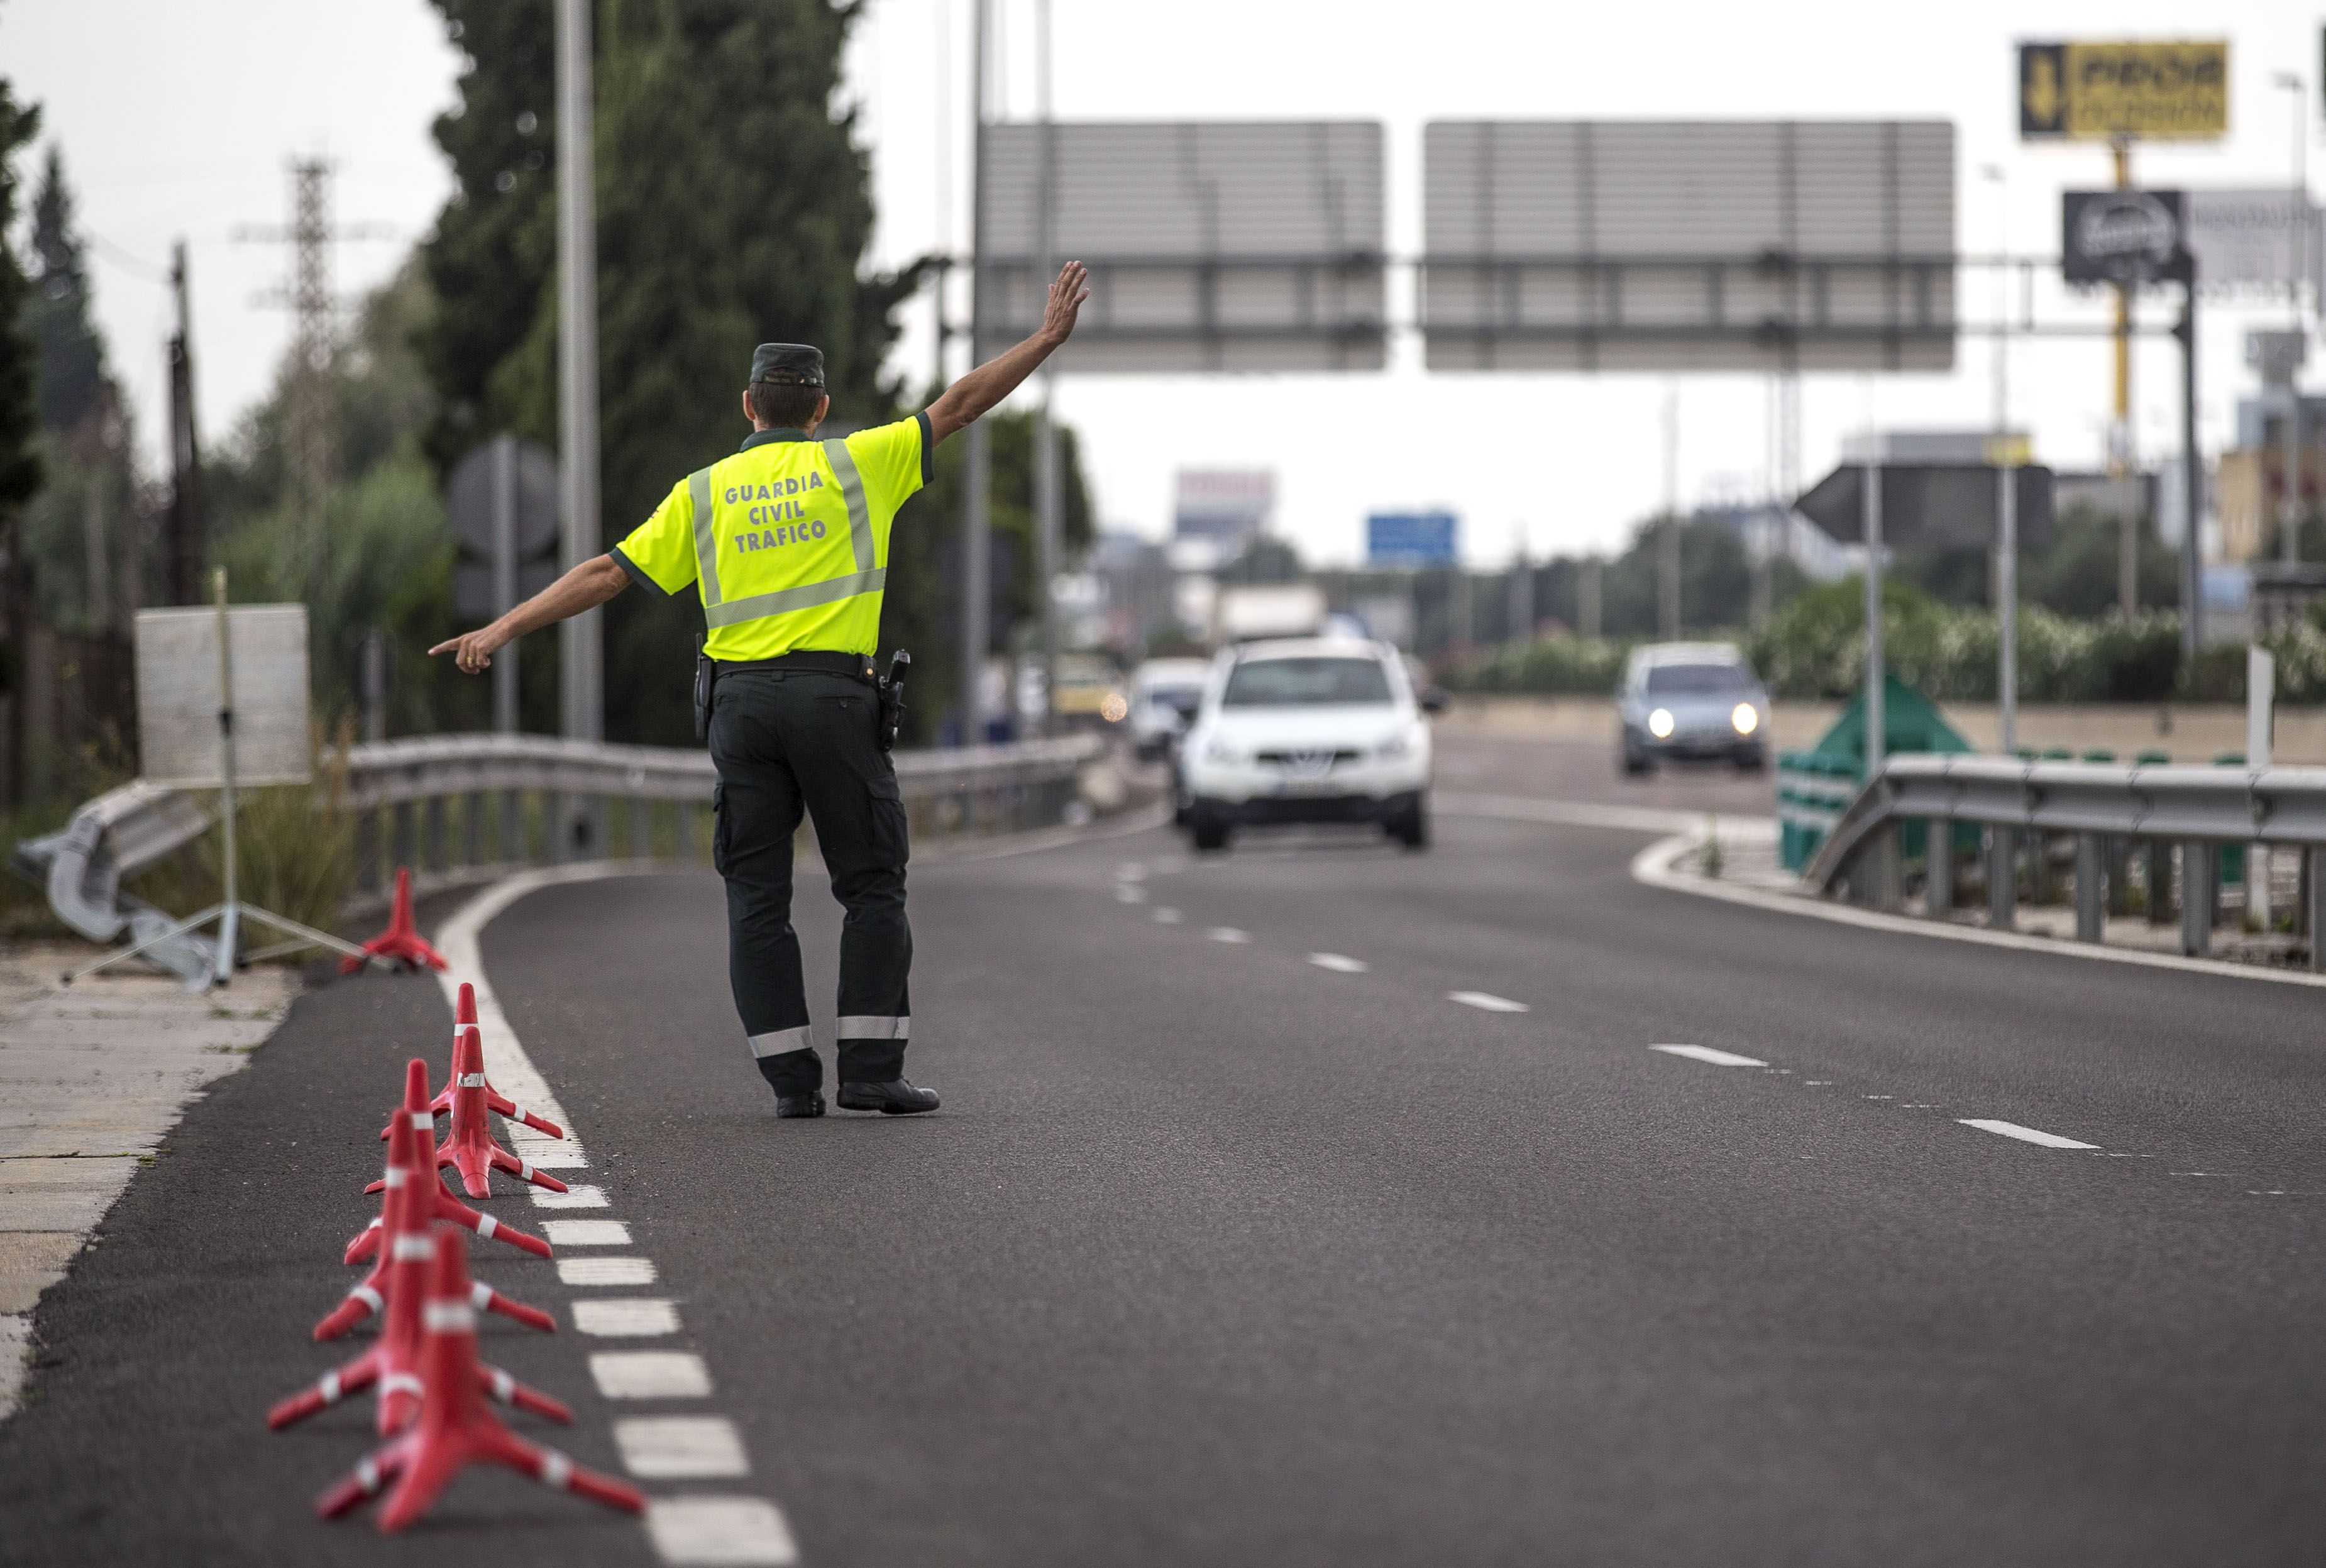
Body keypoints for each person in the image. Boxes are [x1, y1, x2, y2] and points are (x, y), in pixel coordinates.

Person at [431, 260, 1091, 1118]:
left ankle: (791, 1082)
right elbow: (961, 403)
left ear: (748, 406)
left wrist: (502, 628)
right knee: (871, 883)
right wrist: (1043, 340)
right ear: (819, 408)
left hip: (740, 711)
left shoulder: (702, 493)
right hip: (834, 704)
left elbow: (605, 573)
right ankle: (869, 1069)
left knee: (756, 895)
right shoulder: (864, 463)